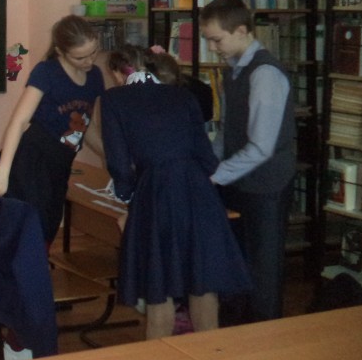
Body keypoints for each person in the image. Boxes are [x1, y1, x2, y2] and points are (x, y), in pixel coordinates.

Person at [98, 47, 252, 339]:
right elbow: (206, 155)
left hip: (155, 191)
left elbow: (118, 161)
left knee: (159, 286)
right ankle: (210, 356)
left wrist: (127, 196)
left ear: (118, 73)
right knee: (202, 281)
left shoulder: (113, 99)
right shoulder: (183, 96)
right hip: (197, 189)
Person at [200, 0, 295, 324]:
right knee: (235, 267)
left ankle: (263, 343)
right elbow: (228, 131)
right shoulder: (234, 71)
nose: (212, 48)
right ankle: (234, 338)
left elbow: (261, 147)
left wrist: (215, 176)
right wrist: (209, 165)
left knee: (262, 274)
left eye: (216, 40)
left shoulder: (265, 74)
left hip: (267, 186)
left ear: (241, 31)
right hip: (238, 183)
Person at [0, 15, 104, 247]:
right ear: (61, 51)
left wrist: (111, 156)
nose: (89, 61)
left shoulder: (95, 76)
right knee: (25, 235)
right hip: (31, 163)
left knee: (47, 230)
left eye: (93, 52)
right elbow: (19, 122)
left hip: (60, 166)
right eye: (80, 57)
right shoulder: (47, 72)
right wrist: (2, 173)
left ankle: (34, 270)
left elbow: (87, 127)